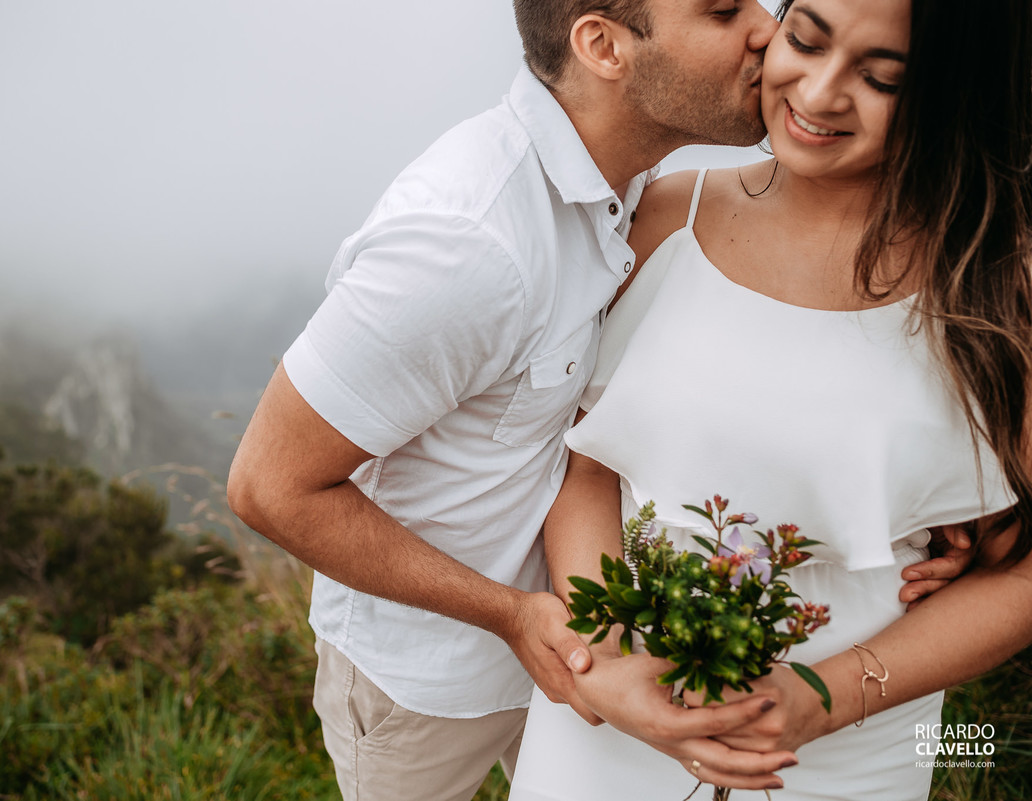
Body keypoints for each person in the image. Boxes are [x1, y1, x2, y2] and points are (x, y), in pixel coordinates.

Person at [227, 1, 964, 798]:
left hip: (593, 635)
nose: (764, 27)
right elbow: (268, 485)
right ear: (603, 46)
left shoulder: (639, 180)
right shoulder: (465, 243)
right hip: (439, 675)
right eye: (721, 10)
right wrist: (513, 614)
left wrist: (929, 489)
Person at [508, 0, 1032, 798]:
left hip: (851, 740)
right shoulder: (666, 213)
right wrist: (607, 659)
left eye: (882, 78)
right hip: (618, 724)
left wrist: (824, 697)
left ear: (949, 95)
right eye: (805, 39)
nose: (818, 94)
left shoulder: (993, 280)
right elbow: (586, 467)